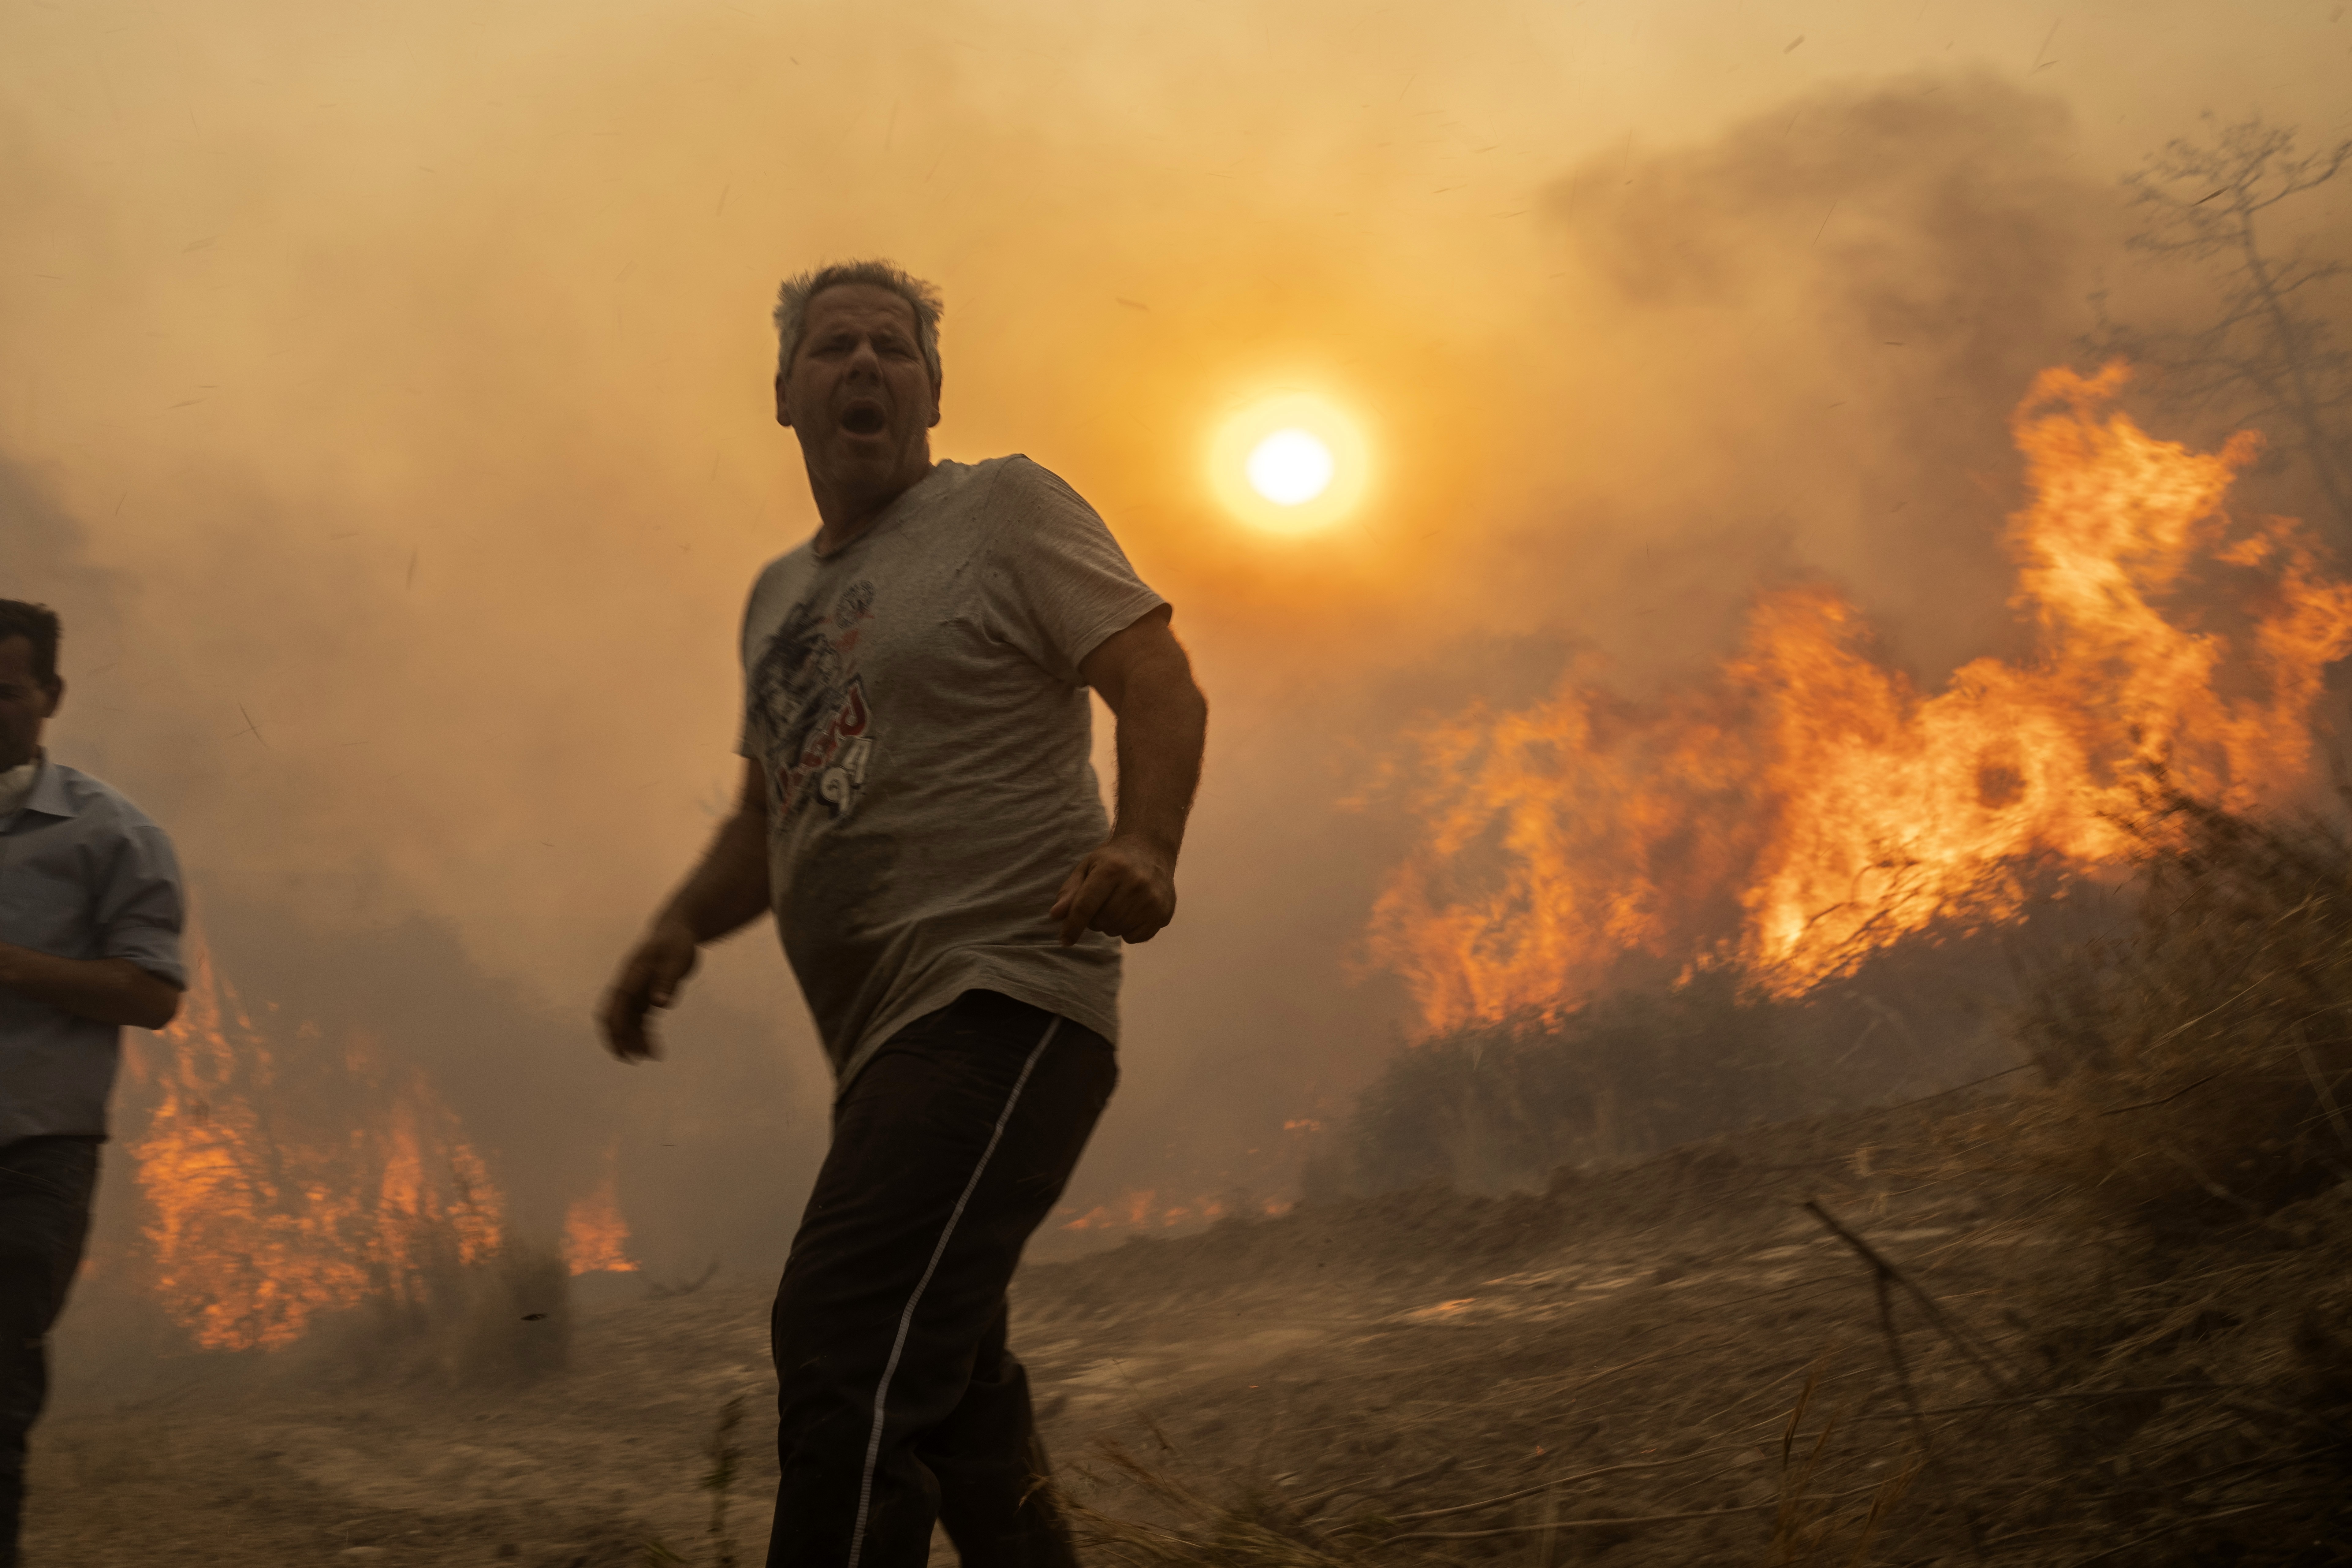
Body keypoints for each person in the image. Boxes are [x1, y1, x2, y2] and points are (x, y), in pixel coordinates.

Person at [597, 260, 1208, 1567]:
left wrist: (1145, 841)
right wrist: (674, 928)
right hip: (883, 1052)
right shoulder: (777, 602)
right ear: (783, 395)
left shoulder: (1004, 509)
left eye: (893, 345)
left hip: (1004, 996)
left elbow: (1155, 677)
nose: (864, 364)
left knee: (844, 1330)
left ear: (935, 387)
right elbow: (769, 826)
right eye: (833, 347)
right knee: (955, 1404)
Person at [0, 599, 185, 1567]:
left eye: (4, 692)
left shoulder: (109, 836)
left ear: (50, 697)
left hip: (33, 1153)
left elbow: (153, 994)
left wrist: (13, 965)